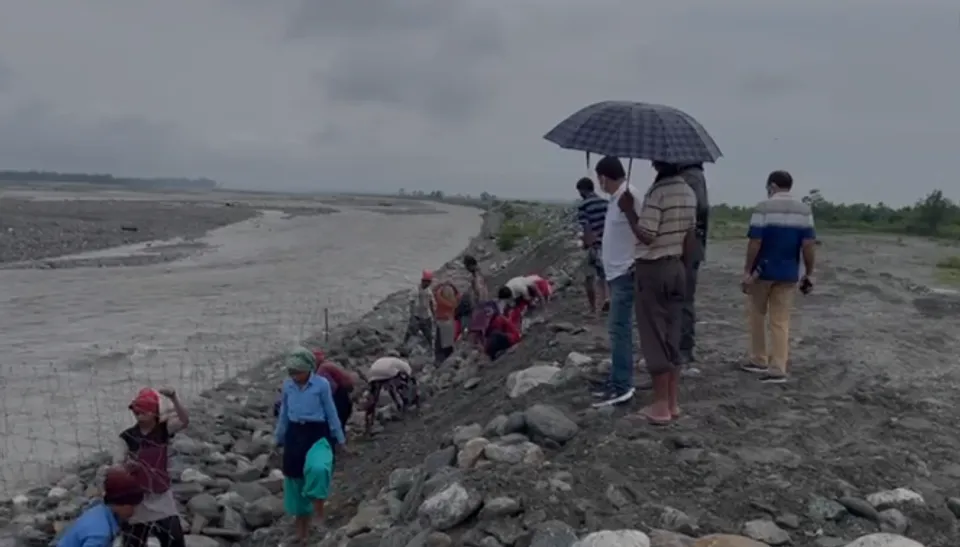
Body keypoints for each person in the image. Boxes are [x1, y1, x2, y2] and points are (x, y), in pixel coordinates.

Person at [628, 160, 698, 424]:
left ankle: (659, 407)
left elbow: (646, 234)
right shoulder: (688, 192)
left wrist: (628, 211)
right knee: (672, 333)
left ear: (658, 163)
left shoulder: (658, 193)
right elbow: (690, 235)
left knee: (654, 334)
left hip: (653, 269)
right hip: (677, 267)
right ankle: (672, 402)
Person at [741, 170, 816, 383]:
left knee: (757, 314)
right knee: (780, 320)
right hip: (789, 273)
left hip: (762, 272)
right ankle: (778, 367)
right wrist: (809, 273)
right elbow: (808, 245)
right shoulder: (804, 210)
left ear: (772, 186)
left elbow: (755, 242)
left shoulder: (763, 208)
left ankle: (758, 358)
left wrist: (747, 271)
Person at [275, 346, 346, 544]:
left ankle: (319, 512)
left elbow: (331, 412)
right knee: (296, 481)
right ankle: (301, 533)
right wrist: (278, 437)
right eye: (291, 372)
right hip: (295, 434)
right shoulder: (288, 386)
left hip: (317, 433)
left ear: (308, 369)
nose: (294, 375)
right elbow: (284, 414)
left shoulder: (321, 385)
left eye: (297, 371)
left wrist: (339, 438)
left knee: (318, 468)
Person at [591, 156, 640, 408]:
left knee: (620, 330)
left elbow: (645, 231)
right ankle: (616, 379)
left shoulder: (630, 196)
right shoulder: (615, 199)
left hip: (625, 273)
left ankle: (623, 385)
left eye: (598, 177)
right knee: (616, 329)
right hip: (615, 274)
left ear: (603, 177)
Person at [116, 387, 190, 547]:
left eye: (144, 411)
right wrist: (126, 467)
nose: (139, 414)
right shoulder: (127, 437)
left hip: (161, 496)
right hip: (137, 500)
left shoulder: (163, 430)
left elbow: (184, 421)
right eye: (137, 410)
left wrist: (174, 398)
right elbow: (117, 465)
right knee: (133, 543)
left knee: (175, 540)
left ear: (155, 412)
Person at [57, 466, 145, 547]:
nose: (134, 511)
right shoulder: (100, 535)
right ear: (121, 504)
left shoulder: (98, 511)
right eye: (133, 506)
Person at [677, 163, 709, 364]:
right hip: (689, 246)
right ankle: (681, 348)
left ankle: (684, 349)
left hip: (687, 247)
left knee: (683, 300)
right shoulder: (692, 175)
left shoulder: (691, 176)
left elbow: (701, 207)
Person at [576, 177, 610, 315]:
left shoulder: (584, 205)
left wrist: (586, 244)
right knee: (604, 276)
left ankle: (593, 309)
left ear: (582, 190)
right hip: (606, 244)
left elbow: (586, 227)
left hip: (593, 246)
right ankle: (606, 299)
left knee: (589, 277)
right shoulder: (605, 203)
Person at [363, 356, 420, 433]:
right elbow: (411, 381)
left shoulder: (393, 361)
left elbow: (391, 390)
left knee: (374, 396)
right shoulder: (406, 366)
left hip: (372, 372)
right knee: (401, 386)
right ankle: (405, 410)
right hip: (388, 371)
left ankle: (368, 423)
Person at [313, 349, 356, 436]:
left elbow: (331, 387)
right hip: (346, 396)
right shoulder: (329, 364)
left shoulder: (322, 369)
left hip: (340, 397)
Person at [403, 270, 436, 348]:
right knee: (410, 331)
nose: (428, 284)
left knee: (429, 334)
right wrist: (412, 316)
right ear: (422, 281)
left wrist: (433, 315)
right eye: (426, 282)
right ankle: (404, 345)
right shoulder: (416, 290)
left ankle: (431, 348)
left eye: (429, 282)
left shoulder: (429, 290)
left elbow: (431, 302)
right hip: (417, 316)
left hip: (427, 316)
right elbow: (412, 303)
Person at [485, 294, 523, 360]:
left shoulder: (498, 319)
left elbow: (496, 334)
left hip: (512, 338)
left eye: (489, 312)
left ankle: (493, 357)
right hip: (506, 337)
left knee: (494, 335)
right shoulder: (492, 320)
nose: (487, 314)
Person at [433, 280, 461, 363]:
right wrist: (453, 286)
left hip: (440, 322)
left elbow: (435, 292)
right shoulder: (454, 303)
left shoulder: (440, 300)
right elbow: (458, 295)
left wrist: (440, 285)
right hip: (450, 322)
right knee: (448, 344)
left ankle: (439, 361)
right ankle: (448, 359)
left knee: (439, 344)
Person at [458, 255, 487, 329]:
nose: (466, 268)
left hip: (480, 304)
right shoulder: (477, 273)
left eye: (466, 266)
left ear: (471, 265)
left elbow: (480, 291)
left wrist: (478, 307)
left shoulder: (477, 276)